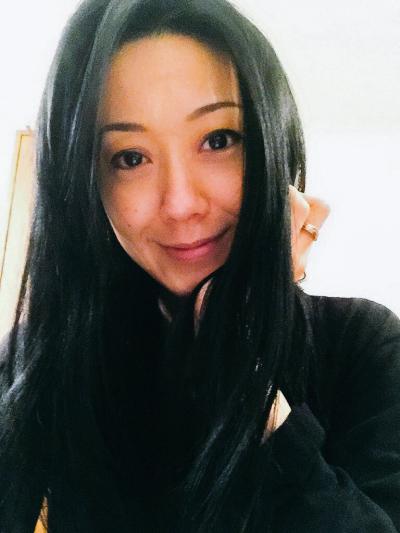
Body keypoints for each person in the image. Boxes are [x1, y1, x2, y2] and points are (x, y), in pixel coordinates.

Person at [0, 0, 399, 531]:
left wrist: (242, 356)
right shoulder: (36, 361)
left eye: (218, 140)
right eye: (130, 158)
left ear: (271, 148)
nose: (181, 203)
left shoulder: (362, 345)